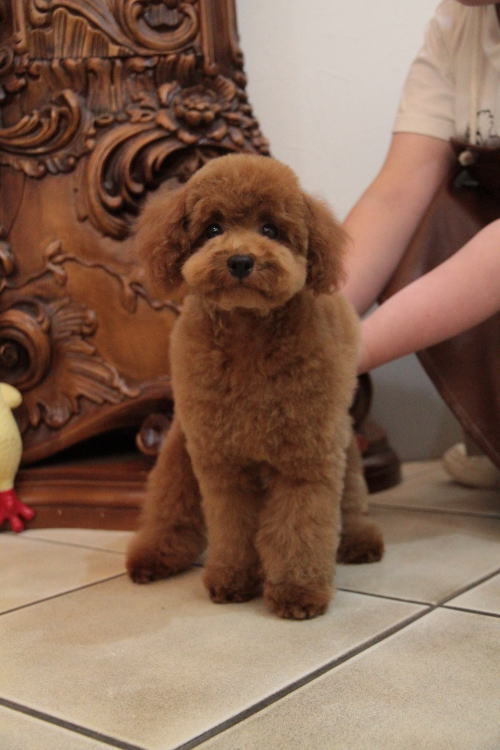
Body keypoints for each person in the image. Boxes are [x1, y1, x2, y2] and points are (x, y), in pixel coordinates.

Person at [341, 0, 500, 484]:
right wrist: (303, 320)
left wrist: (336, 354)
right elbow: (396, 194)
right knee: (429, 215)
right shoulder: (458, 19)